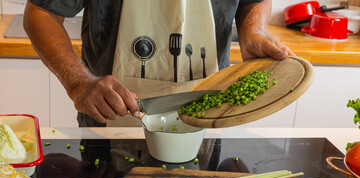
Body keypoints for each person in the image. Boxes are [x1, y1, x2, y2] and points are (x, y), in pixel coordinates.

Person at [23, 0, 294, 128]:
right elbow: (42, 11)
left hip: (211, 109)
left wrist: (252, 31)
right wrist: (78, 82)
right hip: (110, 115)